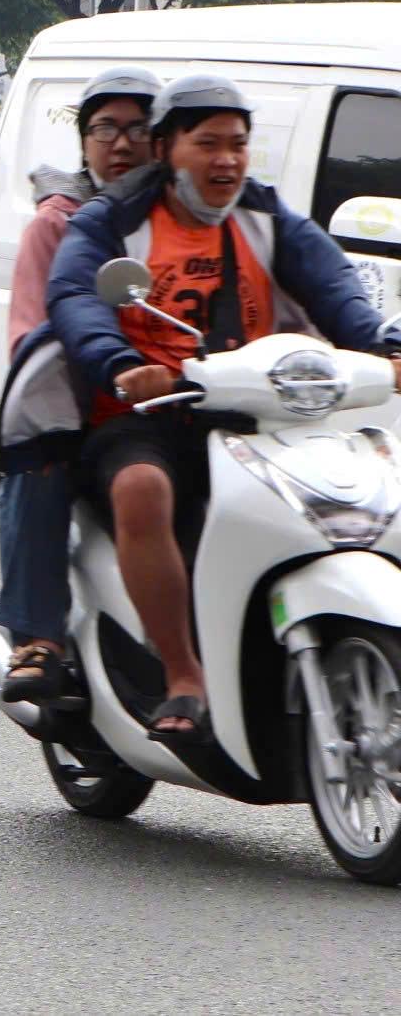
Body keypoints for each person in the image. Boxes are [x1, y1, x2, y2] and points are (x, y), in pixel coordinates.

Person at [38, 72, 401, 743]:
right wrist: (121, 366)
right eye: (207, 143)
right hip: (149, 418)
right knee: (143, 488)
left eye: (237, 143)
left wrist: (384, 345)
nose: (227, 159)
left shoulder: (265, 216)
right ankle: (182, 673)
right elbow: (76, 295)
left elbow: (335, 286)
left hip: (255, 413)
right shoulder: (115, 219)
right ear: (167, 147)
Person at [0, 66, 158, 706]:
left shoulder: (183, 217)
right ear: (84, 142)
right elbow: (32, 336)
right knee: (40, 459)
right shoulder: (61, 225)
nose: (122, 144)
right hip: (87, 412)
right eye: (105, 129)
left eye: (138, 129)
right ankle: (38, 637)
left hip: (179, 402)